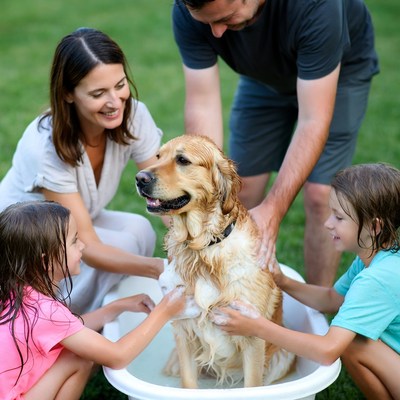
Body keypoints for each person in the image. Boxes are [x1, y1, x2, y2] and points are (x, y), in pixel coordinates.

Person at [172, 0, 379, 286]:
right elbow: (202, 103)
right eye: (206, 22)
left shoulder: (316, 6)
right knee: (239, 190)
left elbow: (313, 120)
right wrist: (199, 184)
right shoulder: (188, 9)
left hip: (339, 73)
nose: (217, 33)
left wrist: (274, 209)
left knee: (321, 196)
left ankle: (314, 311)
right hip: (263, 78)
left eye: (226, 18)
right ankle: (233, 295)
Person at [0, 28, 167, 314]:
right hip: (25, 243)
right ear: (67, 94)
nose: (115, 102)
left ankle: (112, 313)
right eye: (99, 93)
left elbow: (165, 192)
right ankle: (74, 322)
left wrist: (197, 243)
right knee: (121, 246)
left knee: (139, 229)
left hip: (74, 224)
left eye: (120, 84)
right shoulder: (46, 145)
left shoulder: (135, 115)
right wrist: (163, 268)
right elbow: (87, 245)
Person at [212, 163, 400, 399]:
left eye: (339, 217)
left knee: (353, 343)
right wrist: (282, 281)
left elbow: (328, 350)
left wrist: (256, 326)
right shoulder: (375, 258)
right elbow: (332, 299)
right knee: (353, 338)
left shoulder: (376, 279)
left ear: (374, 226)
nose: (328, 223)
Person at [0, 201, 185, 400]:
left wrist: (116, 306)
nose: (83, 246)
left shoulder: (19, 293)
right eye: (74, 241)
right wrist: (165, 310)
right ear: (45, 261)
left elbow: (69, 329)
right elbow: (117, 356)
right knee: (77, 358)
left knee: (72, 351)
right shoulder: (44, 311)